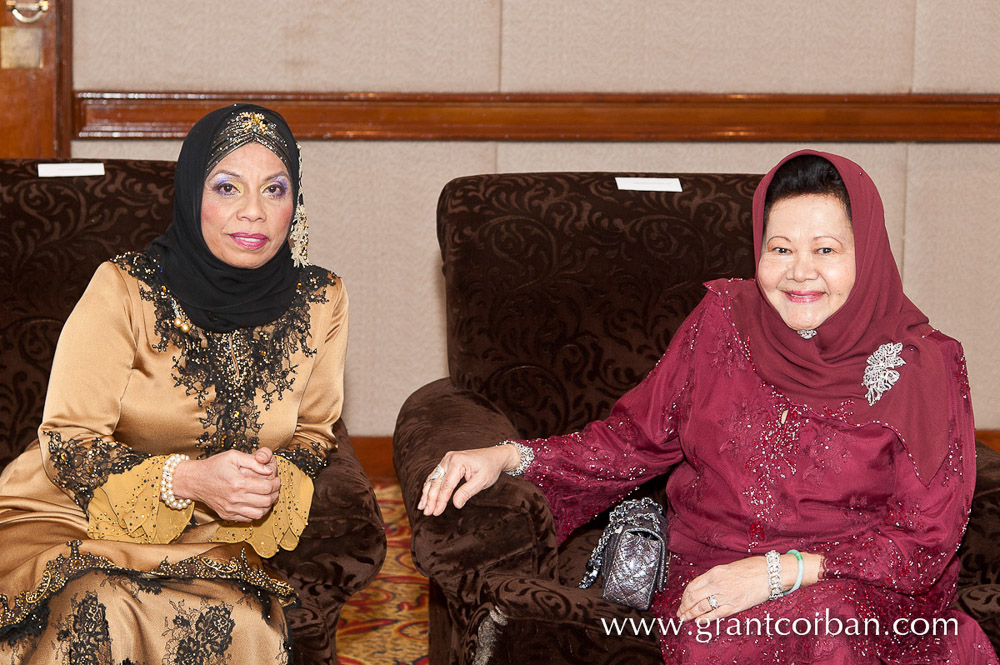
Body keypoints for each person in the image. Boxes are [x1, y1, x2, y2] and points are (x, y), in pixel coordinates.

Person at [419, 151, 999, 663]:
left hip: (855, 585)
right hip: (712, 570)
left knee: (826, 629)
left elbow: (927, 535)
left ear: (867, 253)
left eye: (826, 249)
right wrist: (507, 456)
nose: (800, 272)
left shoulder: (925, 364)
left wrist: (783, 572)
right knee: (715, 633)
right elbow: (633, 440)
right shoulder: (723, 324)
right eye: (780, 248)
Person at [0, 104, 351, 663]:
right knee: (101, 604)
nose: (254, 213)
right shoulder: (124, 289)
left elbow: (313, 432)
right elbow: (65, 442)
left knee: (240, 622)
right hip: (73, 513)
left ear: (296, 203)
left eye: (275, 189)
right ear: (192, 196)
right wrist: (187, 479)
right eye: (227, 187)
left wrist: (266, 475)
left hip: (211, 534)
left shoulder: (320, 299)